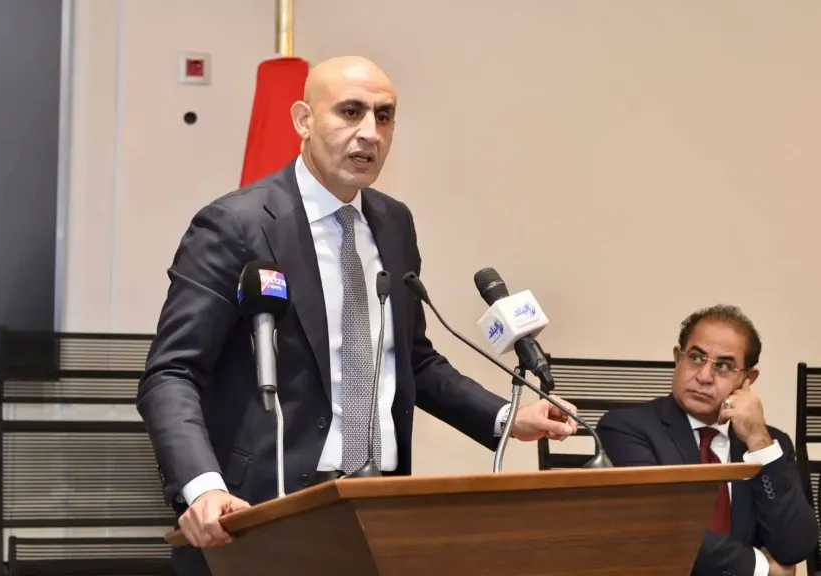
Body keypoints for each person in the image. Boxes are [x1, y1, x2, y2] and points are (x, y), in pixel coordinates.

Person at [137, 55, 579, 576]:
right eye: (350, 112)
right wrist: (203, 488)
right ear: (303, 120)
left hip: (378, 509)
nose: (370, 132)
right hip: (259, 511)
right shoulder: (235, 225)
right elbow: (172, 374)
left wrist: (505, 417)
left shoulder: (393, 223)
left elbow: (412, 360)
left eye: (384, 116)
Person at [596, 304, 818, 576]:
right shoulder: (625, 429)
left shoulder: (769, 444)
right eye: (696, 358)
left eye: (723, 366)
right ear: (677, 359)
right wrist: (758, 566)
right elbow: (659, 528)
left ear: (748, 379)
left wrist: (758, 440)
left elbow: (795, 547)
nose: (703, 377)